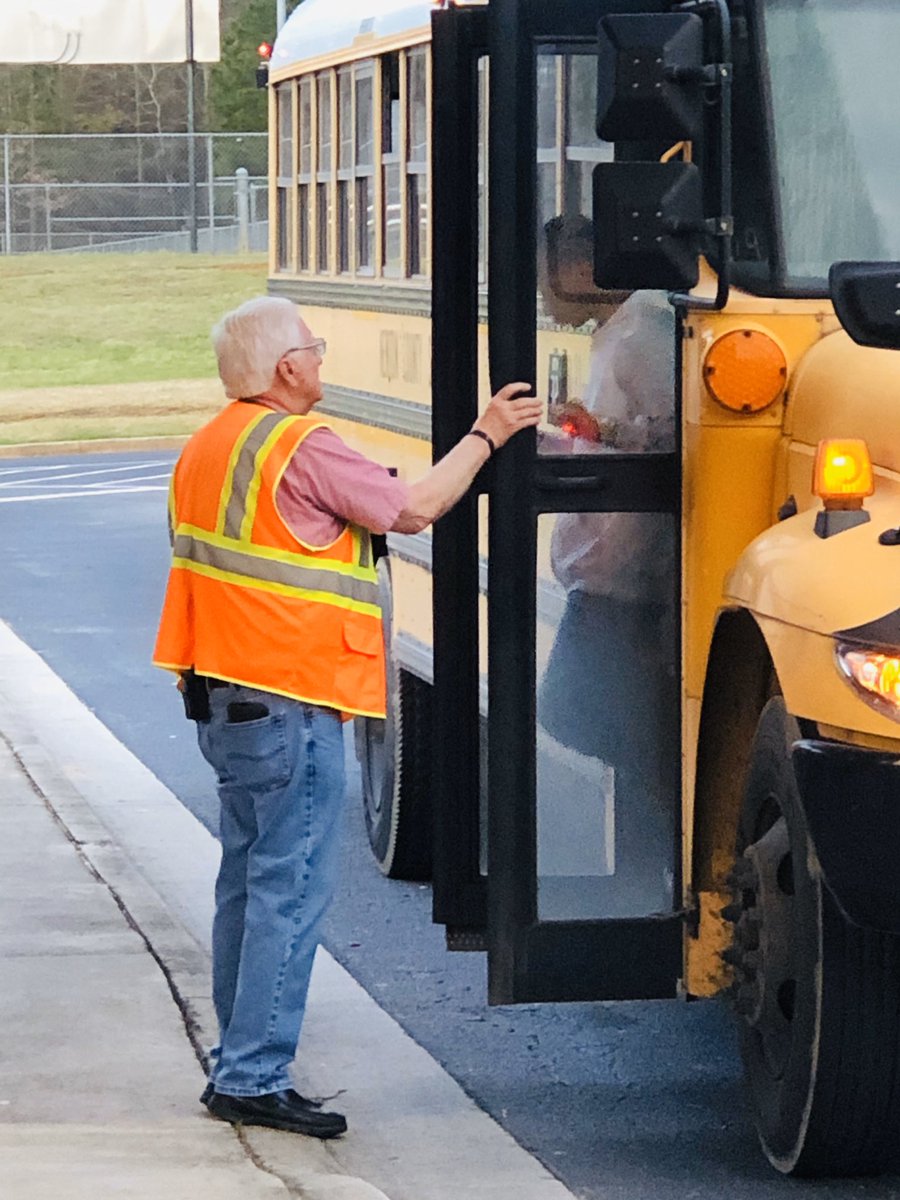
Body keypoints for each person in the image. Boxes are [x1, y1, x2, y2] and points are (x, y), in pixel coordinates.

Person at [153, 296, 540, 1138]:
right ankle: (253, 1076)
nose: (322, 362)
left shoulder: (206, 448)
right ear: (286, 369)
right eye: (315, 350)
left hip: (225, 701)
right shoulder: (300, 446)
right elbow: (413, 508)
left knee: (248, 888)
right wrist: (488, 434)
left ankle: (241, 1059)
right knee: (288, 893)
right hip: (290, 702)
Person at [536, 215, 679, 917]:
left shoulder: (639, 337)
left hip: (630, 572)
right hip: (609, 565)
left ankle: (660, 870)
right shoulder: (618, 334)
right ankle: (651, 867)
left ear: (582, 269)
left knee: (586, 712)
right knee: (603, 719)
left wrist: (606, 432)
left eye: (545, 275)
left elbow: (672, 436)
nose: (540, 294)